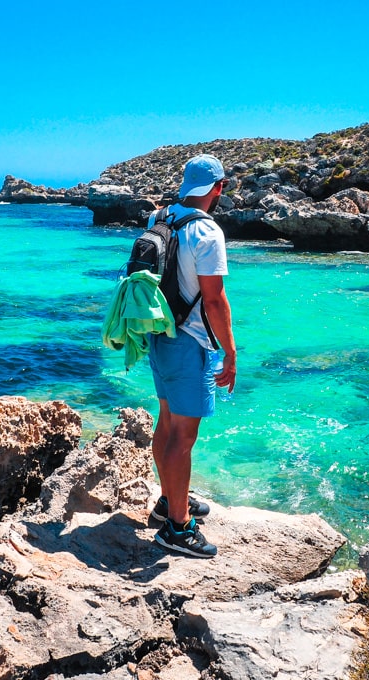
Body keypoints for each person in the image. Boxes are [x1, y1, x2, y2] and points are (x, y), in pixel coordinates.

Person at [148, 154, 236, 559]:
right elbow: (215, 299)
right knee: (183, 438)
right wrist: (230, 352)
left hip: (160, 334)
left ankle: (169, 501)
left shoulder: (160, 219)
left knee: (166, 423)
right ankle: (178, 529)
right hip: (191, 343)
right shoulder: (207, 232)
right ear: (217, 189)